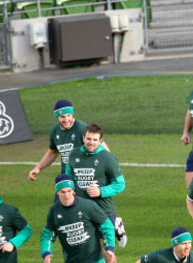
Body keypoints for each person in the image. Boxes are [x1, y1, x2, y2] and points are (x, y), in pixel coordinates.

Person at [27, 100, 126, 249]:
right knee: (63, 218)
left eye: (68, 115)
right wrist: (38, 167)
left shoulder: (82, 130)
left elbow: (105, 152)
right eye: (62, 117)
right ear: (56, 118)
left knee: (83, 221)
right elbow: (53, 152)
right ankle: (73, 256)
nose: (66, 119)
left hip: (88, 181)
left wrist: (104, 169)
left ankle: (112, 227)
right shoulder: (55, 132)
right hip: (67, 182)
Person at [65, 124, 126, 263]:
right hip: (81, 213)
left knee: (107, 252)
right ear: (83, 138)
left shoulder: (108, 158)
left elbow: (120, 184)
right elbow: (69, 179)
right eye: (88, 138)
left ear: (100, 141)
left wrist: (101, 191)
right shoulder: (74, 155)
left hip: (103, 213)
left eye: (95, 140)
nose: (91, 142)